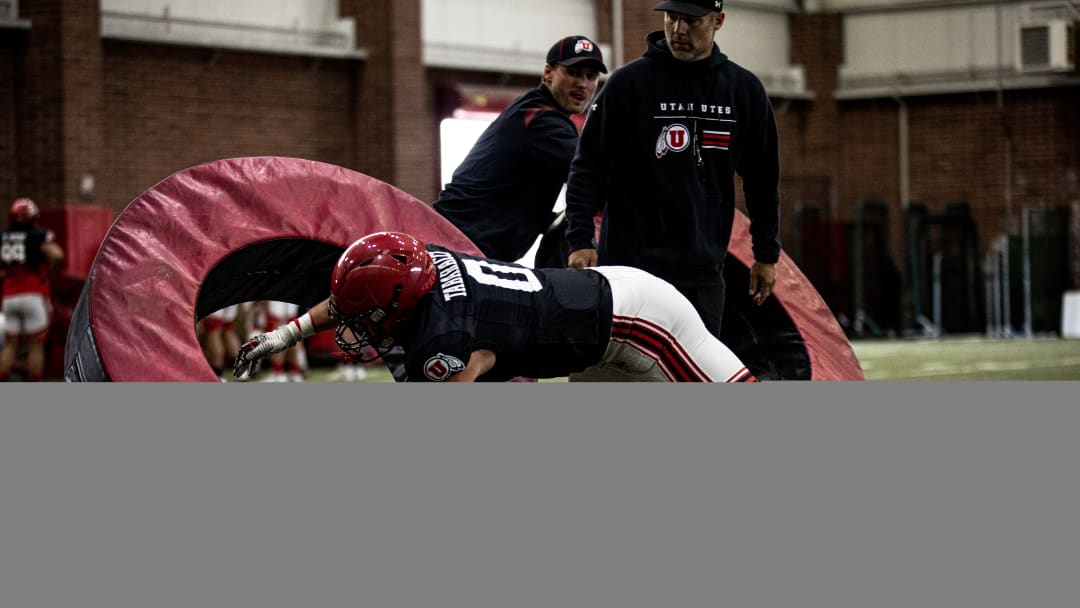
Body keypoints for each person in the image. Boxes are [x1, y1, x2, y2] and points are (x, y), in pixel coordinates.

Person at [233, 231, 757, 383]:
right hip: (600, 307)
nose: (353, 325)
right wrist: (288, 333)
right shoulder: (422, 262)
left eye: (365, 317)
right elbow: (355, 297)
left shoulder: (445, 339)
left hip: (638, 321)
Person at [563, 0, 781, 337]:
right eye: (672, 18)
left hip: (703, 273)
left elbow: (762, 181)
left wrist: (766, 254)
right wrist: (579, 240)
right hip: (630, 269)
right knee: (620, 367)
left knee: (694, 367)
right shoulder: (627, 84)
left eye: (691, 21)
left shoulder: (744, 90)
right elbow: (588, 168)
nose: (678, 30)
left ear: (718, 21)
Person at [433, 35, 607, 266]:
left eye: (590, 76)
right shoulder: (541, 120)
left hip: (464, 245)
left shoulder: (533, 111)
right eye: (573, 73)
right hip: (457, 247)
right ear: (548, 73)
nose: (583, 84)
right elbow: (593, 176)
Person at [1, 198, 65, 381]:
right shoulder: (37, 235)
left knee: (10, 344)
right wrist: (49, 271)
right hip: (33, 294)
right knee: (35, 345)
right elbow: (57, 254)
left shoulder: (4, 237)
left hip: (9, 297)